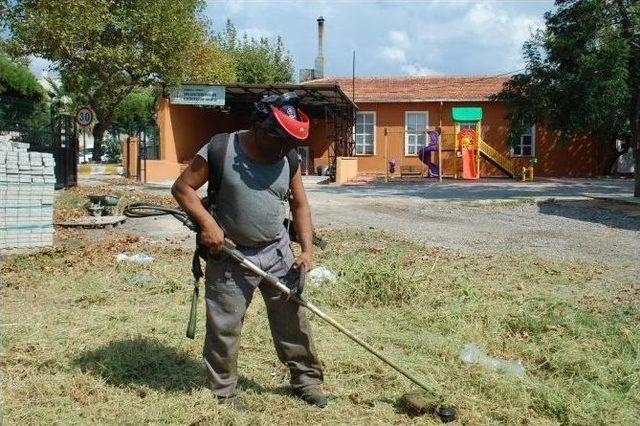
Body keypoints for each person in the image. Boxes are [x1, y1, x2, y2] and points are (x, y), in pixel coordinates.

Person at [171, 93, 326, 410]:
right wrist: (207, 225)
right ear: (259, 126)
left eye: (290, 144)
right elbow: (182, 188)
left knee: (293, 320)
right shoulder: (221, 149)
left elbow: (299, 205)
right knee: (224, 327)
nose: (285, 149)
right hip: (230, 255)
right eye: (280, 140)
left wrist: (307, 250)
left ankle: (306, 382)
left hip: (278, 251)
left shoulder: (288, 159)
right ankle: (223, 391)